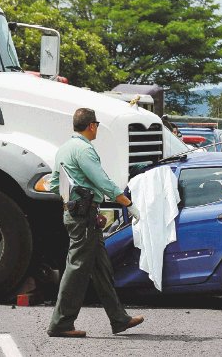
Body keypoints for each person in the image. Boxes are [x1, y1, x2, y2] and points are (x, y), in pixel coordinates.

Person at [47, 108, 144, 338]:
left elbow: (53, 184)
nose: (97, 128)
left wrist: (69, 200)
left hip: (76, 213)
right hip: (84, 217)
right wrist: (127, 202)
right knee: (77, 268)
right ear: (91, 125)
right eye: (97, 125)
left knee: (102, 269)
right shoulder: (84, 150)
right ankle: (60, 324)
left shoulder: (64, 149)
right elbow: (102, 181)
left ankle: (119, 319)